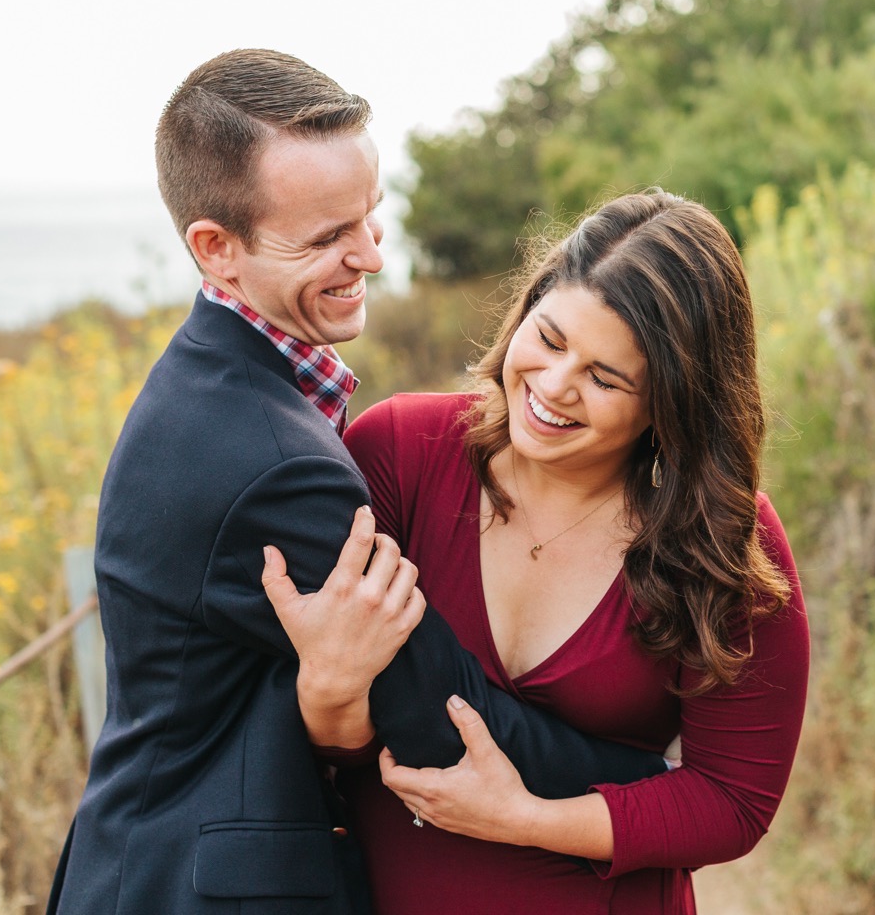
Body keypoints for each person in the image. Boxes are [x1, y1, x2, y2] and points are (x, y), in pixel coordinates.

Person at [44, 50, 668, 915]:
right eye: (328, 238)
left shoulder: (210, 380)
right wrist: (640, 779)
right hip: (201, 885)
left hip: (146, 861)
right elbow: (427, 699)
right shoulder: (273, 457)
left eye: (369, 217)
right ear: (217, 250)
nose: (371, 256)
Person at [274, 190, 810, 913]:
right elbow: (326, 746)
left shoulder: (722, 539)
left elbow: (733, 801)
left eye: (604, 377)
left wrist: (523, 819)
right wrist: (326, 691)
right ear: (528, 307)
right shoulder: (399, 454)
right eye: (551, 340)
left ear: (671, 402)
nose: (554, 388)